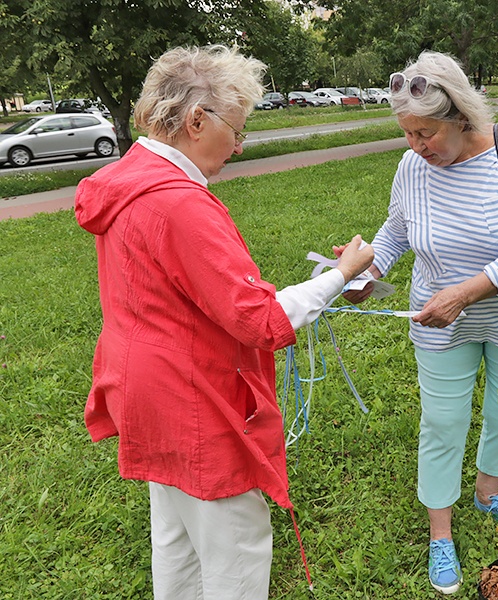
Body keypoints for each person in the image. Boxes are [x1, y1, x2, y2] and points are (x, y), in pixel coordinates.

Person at [74, 45, 374, 599]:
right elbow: (258, 321)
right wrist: (341, 275)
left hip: (144, 391)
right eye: (236, 130)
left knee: (178, 540)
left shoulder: (128, 179)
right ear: (195, 121)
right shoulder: (179, 203)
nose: (239, 145)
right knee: (234, 544)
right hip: (193, 401)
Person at [342, 51, 498, 595]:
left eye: (426, 132)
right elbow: (396, 232)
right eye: (407, 134)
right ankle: (442, 533)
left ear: (461, 115)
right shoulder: (412, 167)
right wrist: (363, 271)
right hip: (440, 325)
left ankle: (488, 492)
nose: (417, 146)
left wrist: (464, 293)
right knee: (442, 424)